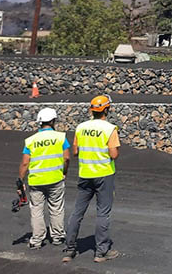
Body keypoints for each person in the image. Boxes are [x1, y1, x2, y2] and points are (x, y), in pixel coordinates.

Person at [62, 94, 121, 263]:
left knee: (77, 212)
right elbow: (114, 154)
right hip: (104, 174)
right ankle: (101, 252)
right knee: (103, 213)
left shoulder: (81, 127)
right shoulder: (110, 129)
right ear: (107, 109)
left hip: (85, 174)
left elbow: (75, 151)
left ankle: (70, 249)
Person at [18, 107, 70, 249]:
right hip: (55, 179)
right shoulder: (60, 137)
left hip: (36, 181)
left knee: (36, 210)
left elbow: (24, 163)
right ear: (53, 121)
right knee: (56, 208)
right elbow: (66, 158)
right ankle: (58, 236)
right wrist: (64, 172)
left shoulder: (30, 140)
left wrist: (20, 181)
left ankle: (37, 239)